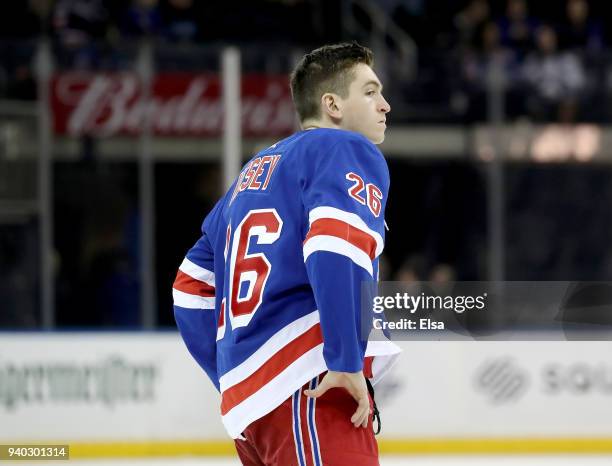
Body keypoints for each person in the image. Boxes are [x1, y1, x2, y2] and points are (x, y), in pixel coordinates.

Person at [173, 42, 400, 466]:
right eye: (370, 92)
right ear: (332, 104)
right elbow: (333, 245)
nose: (384, 105)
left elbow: (190, 288)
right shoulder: (345, 149)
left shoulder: (252, 174)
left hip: (255, 413)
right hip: (313, 384)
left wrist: (236, 378)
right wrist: (344, 357)